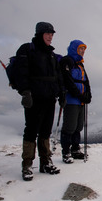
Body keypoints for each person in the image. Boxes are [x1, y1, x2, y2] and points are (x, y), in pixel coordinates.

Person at [14, 22, 66, 181]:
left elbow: (57, 76)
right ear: (40, 34)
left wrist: (61, 93)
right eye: (47, 33)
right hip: (34, 98)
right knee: (31, 130)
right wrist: (25, 92)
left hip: (50, 97)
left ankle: (45, 162)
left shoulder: (51, 54)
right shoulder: (28, 50)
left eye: (52, 34)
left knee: (45, 131)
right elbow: (21, 73)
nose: (50, 36)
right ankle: (27, 164)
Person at [60, 40, 92, 163]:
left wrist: (88, 95)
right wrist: (80, 95)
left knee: (78, 126)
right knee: (69, 126)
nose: (83, 51)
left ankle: (75, 149)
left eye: (84, 49)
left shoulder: (80, 64)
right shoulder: (67, 61)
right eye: (80, 49)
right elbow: (68, 81)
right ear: (74, 49)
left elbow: (86, 82)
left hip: (80, 101)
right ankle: (66, 152)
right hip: (71, 100)